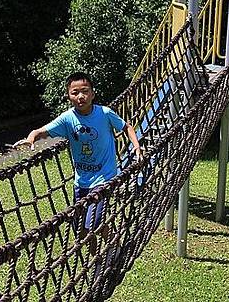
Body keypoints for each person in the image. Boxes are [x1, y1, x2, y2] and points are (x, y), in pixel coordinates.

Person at [13, 72, 142, 241]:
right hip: (81, 182)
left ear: (93, 93)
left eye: (85, 91)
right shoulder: (68, 118)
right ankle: (97, 259)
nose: (80, 96)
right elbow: (41, 131)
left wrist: (137, 146)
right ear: (68, 96)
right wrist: (31, 138)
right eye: (75, 92)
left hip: (105, 178)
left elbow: (126, 127)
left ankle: (113, 247)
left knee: (92, 224)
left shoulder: (105, 113)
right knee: (80, 230)